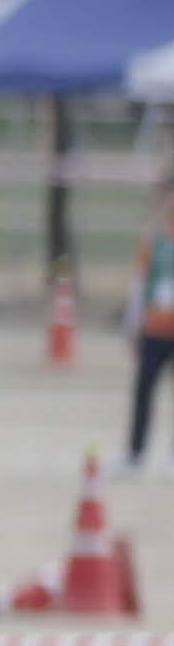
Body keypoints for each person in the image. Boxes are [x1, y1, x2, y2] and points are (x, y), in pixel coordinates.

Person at [129, 182, 174, 478]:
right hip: (154, 329)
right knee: (143, 392)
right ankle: (135, 453)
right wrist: (132, 323)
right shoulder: (153, 239)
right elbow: (138, 284)